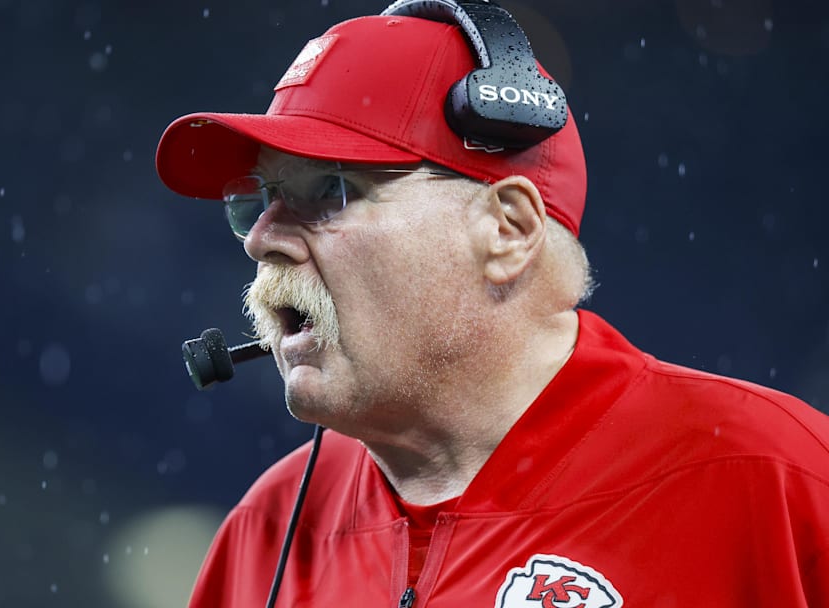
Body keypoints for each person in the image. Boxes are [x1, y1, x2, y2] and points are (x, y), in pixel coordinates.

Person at [155, 3, 829, 607]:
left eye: (331, 190)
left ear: (506, 230)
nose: (263, 238)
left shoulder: (772, 481)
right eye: (259, 200)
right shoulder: (268, 531)